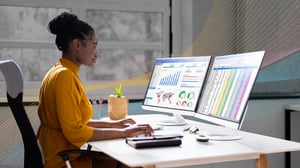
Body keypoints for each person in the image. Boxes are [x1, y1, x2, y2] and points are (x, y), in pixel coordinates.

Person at [37, 12, 154, 168]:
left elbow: (74, 123)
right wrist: (125, 133)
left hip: (63, 154)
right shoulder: (64, 76)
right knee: (139, 162)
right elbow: (75, 132)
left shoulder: (59, 71)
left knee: (132, 159)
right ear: (77, 44)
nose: (96, 53)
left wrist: (116, 125)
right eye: (94, 46)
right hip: (63, 162)